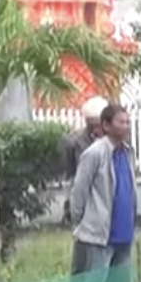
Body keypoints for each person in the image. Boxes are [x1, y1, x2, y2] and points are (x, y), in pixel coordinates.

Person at [68, 102, 137, 282]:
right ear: (106, 126)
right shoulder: (94, 154)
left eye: (127, 122)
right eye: (121, 122)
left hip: (123, 232)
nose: (126, 126)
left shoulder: (127, 152)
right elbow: (78, 192)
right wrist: (82, 224)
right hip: (99, 235)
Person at [59, 96, 106, 224]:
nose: (96, 130)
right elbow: (70, 173)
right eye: (91, 126)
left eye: (98, 125)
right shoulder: (74, 141)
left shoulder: (115, 141)